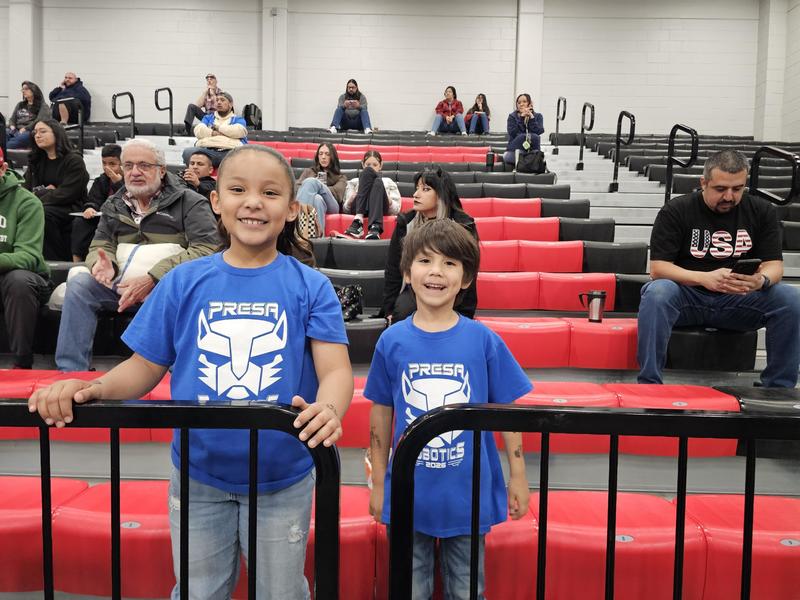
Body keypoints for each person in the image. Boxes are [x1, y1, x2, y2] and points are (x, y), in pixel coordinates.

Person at [28, 144, 354, 599]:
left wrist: (330, 407)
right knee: (198, 591)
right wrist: (93, 387)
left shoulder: (311, 285)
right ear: (216, 200)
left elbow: (335, 370)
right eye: (238, 189)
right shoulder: (183, 280)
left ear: (292, 208)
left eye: (270, 192)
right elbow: (144, 366)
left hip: (284, 477)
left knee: (281, 592)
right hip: (198, 476)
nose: (253, 202)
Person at [366, 218, 531, 600]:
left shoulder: (484, 340)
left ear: (467, 278)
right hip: (408, 491)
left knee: (467, 589)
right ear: (407, 272)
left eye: (450, 263)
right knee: (410, 589)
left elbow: (506, 409)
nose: (436, 272)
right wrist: (378, 484)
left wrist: (518, 474)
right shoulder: (391, 341)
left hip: (468, 494)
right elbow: (381, 415)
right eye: (425, 261)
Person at [637, 149, 800, 388]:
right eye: (721, 189)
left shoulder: (761, 211)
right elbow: (658, 269)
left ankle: (777, 388)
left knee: (791, 297)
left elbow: (775, 266)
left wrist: (761, 280)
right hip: (688, 297)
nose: (729, 197)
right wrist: (704, 278)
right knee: (657, 292)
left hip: (738, 300)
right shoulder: (676, 210)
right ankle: (649, 384)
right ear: (703, 182)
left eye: (738, 189)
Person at [54, 138, 220, 372]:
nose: (135, 172)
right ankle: (71, 370)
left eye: (144, 165)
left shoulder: (189, 202)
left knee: (176, 289)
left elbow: (207, 248)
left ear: (162, 171)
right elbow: (99, 245)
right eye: (128, 165)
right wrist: (104, 264)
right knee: (80, 284)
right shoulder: (114, 203)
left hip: (166, 287)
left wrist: (153, 278)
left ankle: (172, 374)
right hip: (120, 284)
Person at [381, 168, 478, 324]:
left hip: (452, 291)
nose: (416, 194)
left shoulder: (463, 225)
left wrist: (466, 314)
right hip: (416, 288)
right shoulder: (406, 223)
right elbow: (394, 268)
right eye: (417, 189)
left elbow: (469, 271)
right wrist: (389, 309)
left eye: (425, 189)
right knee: (403, 312)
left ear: (441, 195)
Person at [0, 149, 52, 369]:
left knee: (18, 280)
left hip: (28, 280)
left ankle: (22, 362)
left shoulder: (27, 202)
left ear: (3, 168)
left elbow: (29, 256)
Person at [24, 119, 90, 261]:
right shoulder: (36, 160)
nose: (37, 135)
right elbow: (26, 189)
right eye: (35, 132)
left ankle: (56, 262)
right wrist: (46, 192)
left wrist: (39, 194)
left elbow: (67, 193)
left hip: (71, 207)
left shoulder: (74, 160)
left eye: (43, 131)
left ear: (57, 133)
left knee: (42, 212)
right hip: (44, 204)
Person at [71, 144, 124, 262]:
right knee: (80, 222)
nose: (107, 167)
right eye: (104, 163)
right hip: (101, 216)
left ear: (122, 163)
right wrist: (90, 208)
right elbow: (93, 199)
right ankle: (76, 260)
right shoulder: (101, 180)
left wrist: (118, 183)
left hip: (122, 217)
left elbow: (130, 199)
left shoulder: (129, 180)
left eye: (112, 164)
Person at [341, 151, 401, 240]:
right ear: (363, 164)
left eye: (375, 165)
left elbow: (396, 210)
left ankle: (361, 223)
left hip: (380, 207)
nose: (371, 168)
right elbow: (346, 209)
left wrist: (388, 198)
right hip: (358, 206)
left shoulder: (388, 181)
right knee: (368, 174)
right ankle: (371, 226)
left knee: (377, 181)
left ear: (381, 165)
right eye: (368, 164)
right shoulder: (353, 182)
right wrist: (352, 198)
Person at [181, 92, 248, 166]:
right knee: (188, 152)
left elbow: (239, 131)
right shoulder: (208, 117)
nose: (219, 102)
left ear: (230, 104)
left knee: (238, 157)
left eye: (222, 100)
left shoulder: (238, 119)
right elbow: (198, 130)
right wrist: (213, 133)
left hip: (229, 152)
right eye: (217, 100)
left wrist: (218, 128)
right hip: (208, 152)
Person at [296, 143, 347, 234]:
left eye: (327, 154)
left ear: (333, 157)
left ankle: (299, 229)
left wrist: (318, 186)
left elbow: (337, 194)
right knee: (317, 199)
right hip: (316, 202)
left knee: (311, 182)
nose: (323, 157)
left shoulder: (341, 177)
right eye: (321, 154)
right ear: (317, 156)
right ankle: (318, 238)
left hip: (332, 205)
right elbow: (298, 189)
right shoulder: (309, 171)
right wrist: (314, 189)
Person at [6, 81, 50, 149]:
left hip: (30, 131)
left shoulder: (43, 106)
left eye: (26, 89)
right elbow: (12, 119)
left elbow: (40, 120)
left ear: (34, 90)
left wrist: (26, 128)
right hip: (15, 130)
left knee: (22, 138)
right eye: (22, 89)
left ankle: (4, 150)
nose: (23, 91)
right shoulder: (20, 104)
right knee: (3, 133)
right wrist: (12, 126)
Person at [503, 93, 544, 165]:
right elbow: (513, 133)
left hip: (531, 150)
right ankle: (531, 160)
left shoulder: (538, 116)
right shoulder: (512, 116)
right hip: (515, 149)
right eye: (519, 103)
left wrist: (531, 118)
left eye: (524, 102)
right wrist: (521, 118)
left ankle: (531, 159)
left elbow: (539, 131)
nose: (521, 104)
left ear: (529, 103)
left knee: (535, 137)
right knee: (524, 137)